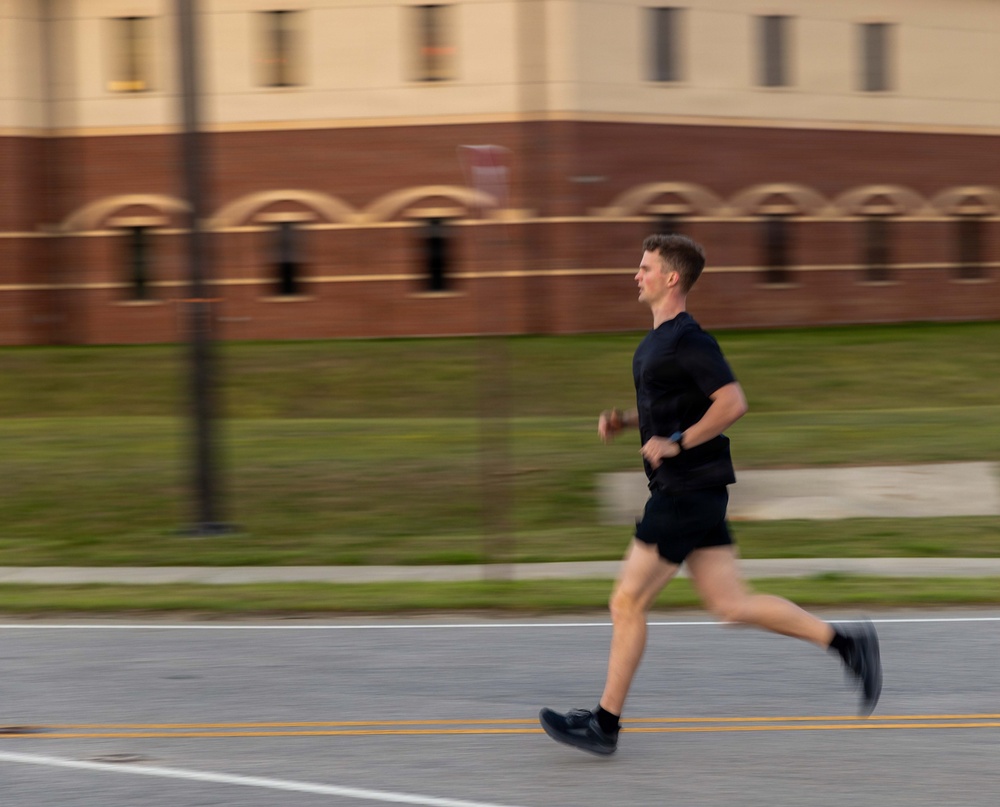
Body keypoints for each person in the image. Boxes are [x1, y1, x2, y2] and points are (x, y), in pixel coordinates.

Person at [539, 234, 882, 756]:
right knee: (730, 604)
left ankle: (604, 724)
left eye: (645, 267)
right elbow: (686, 401)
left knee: (626, 600)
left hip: (683, 492)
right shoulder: (662, 341)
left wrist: (675, 442)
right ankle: (846, 644)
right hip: (699, 492)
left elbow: (731, 402)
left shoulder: (687, 338)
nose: (637, 275)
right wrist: (629, 420)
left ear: (671, 278)